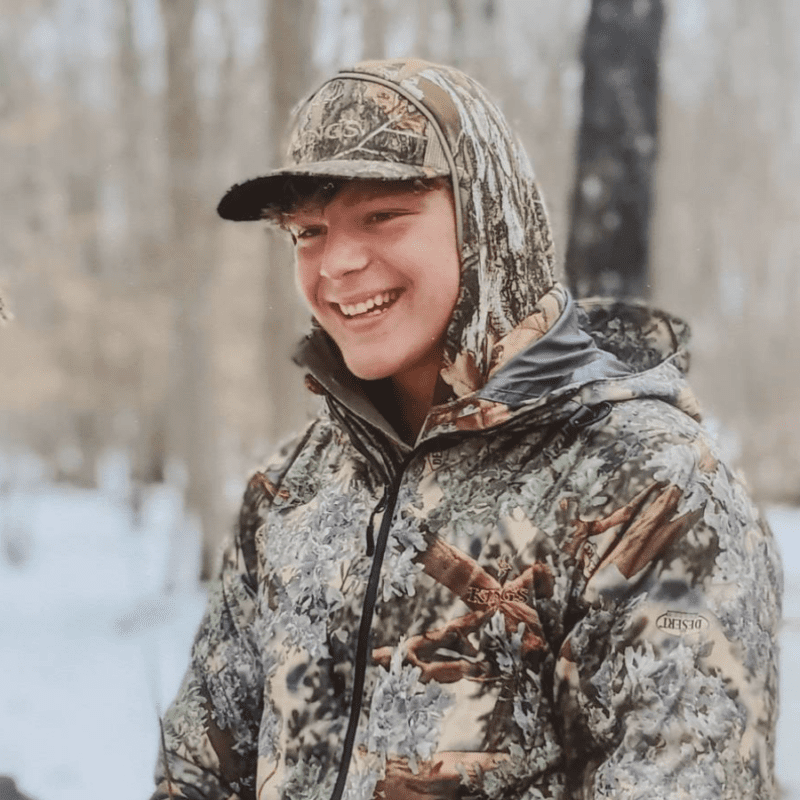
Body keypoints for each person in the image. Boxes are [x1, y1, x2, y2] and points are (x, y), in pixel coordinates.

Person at [152, 58, 782, 800]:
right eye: (309, 232)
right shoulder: (291, 490)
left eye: (382, 216)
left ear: (486, 219)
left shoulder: (652, 489)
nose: (338, 263)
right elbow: (196, 776)